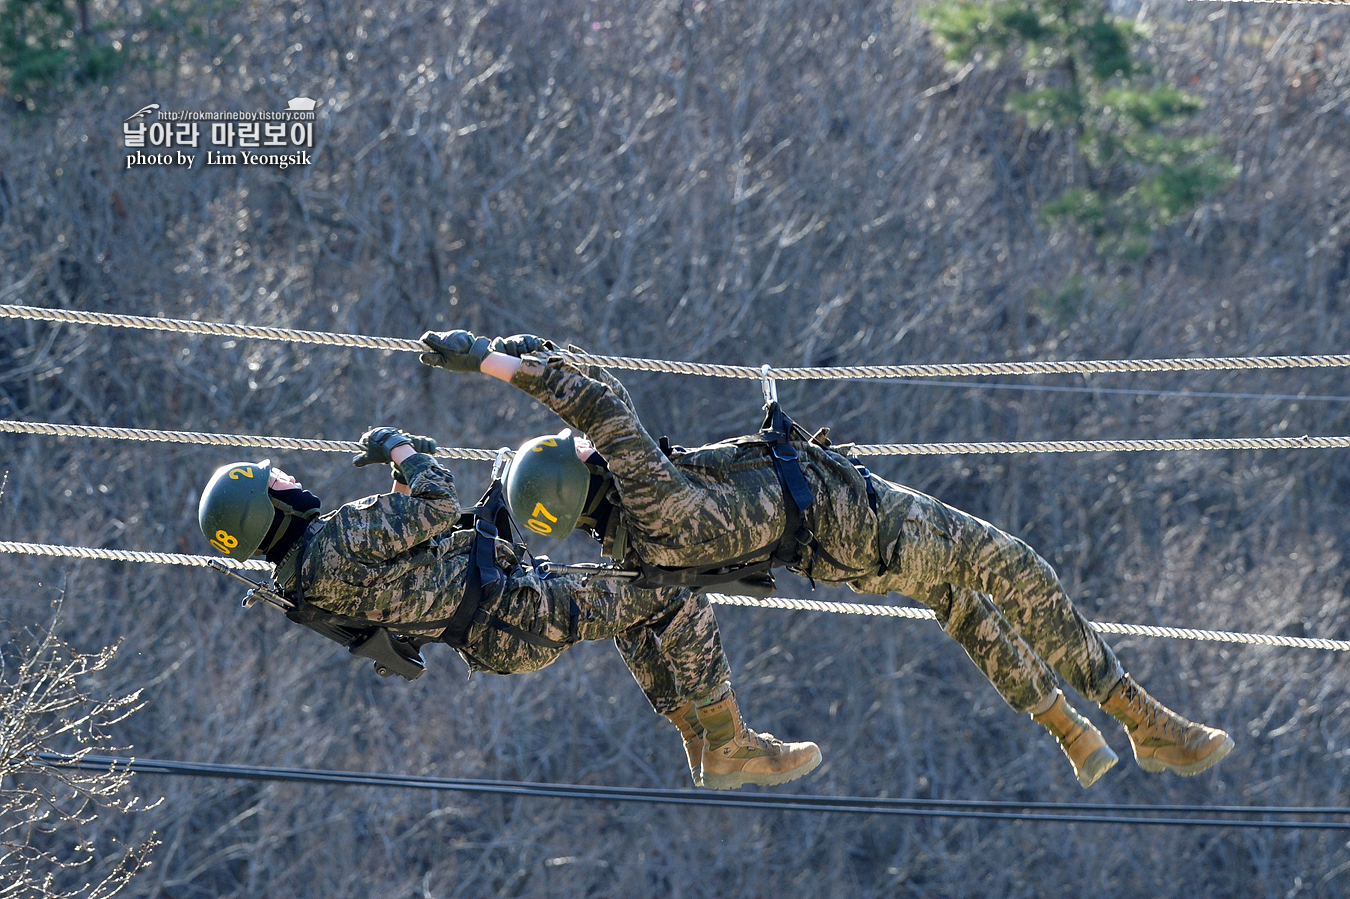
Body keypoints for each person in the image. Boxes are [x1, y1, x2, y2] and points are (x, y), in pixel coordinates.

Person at [417, 329, 1235, 789]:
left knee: (963, 602)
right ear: (588, 469)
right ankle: (1139, 717)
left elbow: (604, 401)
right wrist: (487, 356)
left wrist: (537, 346)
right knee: (1013, 566)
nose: (596, 446)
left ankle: (1067, 729)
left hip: (845, 555)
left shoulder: (635, 544)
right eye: (585, 452)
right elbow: (594, 404)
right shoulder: (650, 491)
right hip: (864, 518)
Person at [197, 434, 823, 790]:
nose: (288, 479)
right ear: (268, 511)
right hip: (522, 609)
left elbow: (406, 566)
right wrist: (402, 452)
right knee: (671, 590)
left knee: (632, 605)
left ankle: (697, 737)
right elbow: (438, 501)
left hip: (497, 634)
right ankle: (730, 739)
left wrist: (412, 497)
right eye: (275, 483)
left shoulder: (302, 582)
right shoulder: (335, 537)